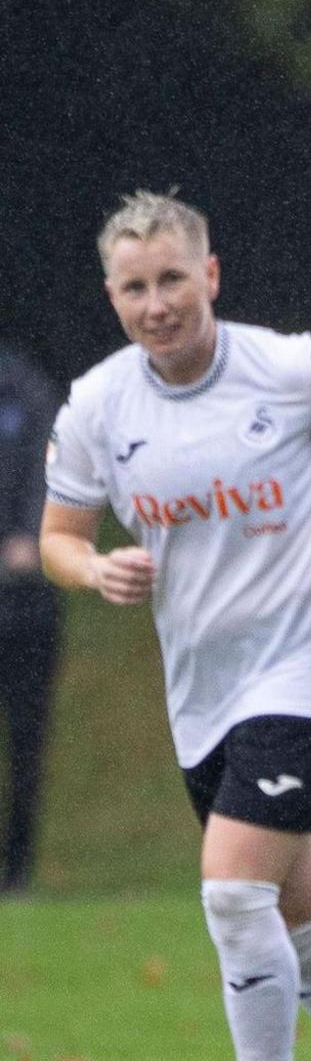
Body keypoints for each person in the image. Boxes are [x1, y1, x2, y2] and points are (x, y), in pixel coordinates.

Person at [39, 191, 311, 1061]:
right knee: (297, 918)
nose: (157, 304)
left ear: (211, 275)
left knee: (233, 894)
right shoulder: (97, 407)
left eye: (173, 280)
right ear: (111, 296)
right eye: (135, 287)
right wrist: (91, 569)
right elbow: (57, 538)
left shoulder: (290, 367)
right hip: (203, 692)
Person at [1, 344, 63, 893]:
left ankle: (16, 870)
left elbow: (51, 476)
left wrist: (28, 536)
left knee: (26, 741)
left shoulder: (25, 388)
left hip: (24, 605)